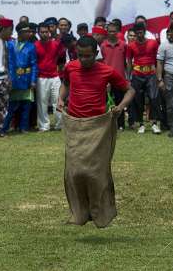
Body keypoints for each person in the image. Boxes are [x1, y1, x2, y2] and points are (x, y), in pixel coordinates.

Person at [57, 36, 135, 228]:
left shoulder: (106, 71)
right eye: (80, 56)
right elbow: (65, 84)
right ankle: (79, 214)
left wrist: (120, 107)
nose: (84, 60)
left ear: (96, 54)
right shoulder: (71, 67)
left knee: (96, 174)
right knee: (74, 172)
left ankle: (101, 214)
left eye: (88, 56)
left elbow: (129, 90)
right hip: (75, 125)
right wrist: (61, 99)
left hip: (98, 127)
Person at [126, 22, 161, 134]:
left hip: (151, 74)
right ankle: (141, 124)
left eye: (141, 32)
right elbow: (129, 62)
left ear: (145, 32)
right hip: (137, 74)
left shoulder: (153, 43)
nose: (139, 35)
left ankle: (154, 123)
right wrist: (128, 77)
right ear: (135, 34)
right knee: (138, 99)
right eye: (137, 33)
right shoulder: (131, 45)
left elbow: (157, 60)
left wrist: (158, 75)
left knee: (154, 98)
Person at [3, 22, 37, 133]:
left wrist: (33, 80)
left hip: (26, 79)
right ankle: (5, 127)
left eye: (30, 31)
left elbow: (34, 64)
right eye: (27, 32)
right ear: (20, 32)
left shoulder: (31, 46)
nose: (29, 33)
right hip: (13, 79)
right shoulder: (10, 44)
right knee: (11, 106)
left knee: (26, 105)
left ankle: (24, 127)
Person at [35, 23, 65, 131]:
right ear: (38, 33)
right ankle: (44, 126)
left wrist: (61, 69)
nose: (44, 34)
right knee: (42, 103)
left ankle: (59, 124)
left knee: (58, 101)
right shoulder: (35, 45)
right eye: (42, 32)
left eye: (46, 32)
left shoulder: (56, 44)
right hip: (41, 77)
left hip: (55, 76)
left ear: (49, 32)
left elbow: (62, 57)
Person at [101, 22, 127, 129]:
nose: (112, 33)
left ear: (117, 32)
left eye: (114, 31)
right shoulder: (103, 45)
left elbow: (126, 62)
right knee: (105, 102)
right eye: (109, 31)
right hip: (106, 79)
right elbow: (102, 62)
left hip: (119, 78)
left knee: (119, 102)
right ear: (107, 32)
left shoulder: (123, 45)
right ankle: (107, 124)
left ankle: (121, 124)